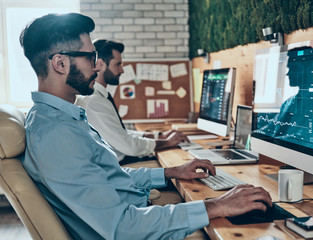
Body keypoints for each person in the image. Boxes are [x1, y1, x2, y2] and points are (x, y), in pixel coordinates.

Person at [20, 13, 272, 240]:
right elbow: (122, 228)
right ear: (60, 64)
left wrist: (171, 172)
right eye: (90, 57)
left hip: (138, 215)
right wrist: (216, 206)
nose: (97, 65)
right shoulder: (56, 133)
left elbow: (107, 177)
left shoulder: (62, 119)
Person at [75, 39, 188, 164]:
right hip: (121, 166)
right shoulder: (94, 101)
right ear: (100, 64)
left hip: (124, 161)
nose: (122, 70)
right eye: (118, 64)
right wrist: (167, 142)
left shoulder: (100, 96)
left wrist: (159, 136)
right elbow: (130, 146)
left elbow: (120, 133)